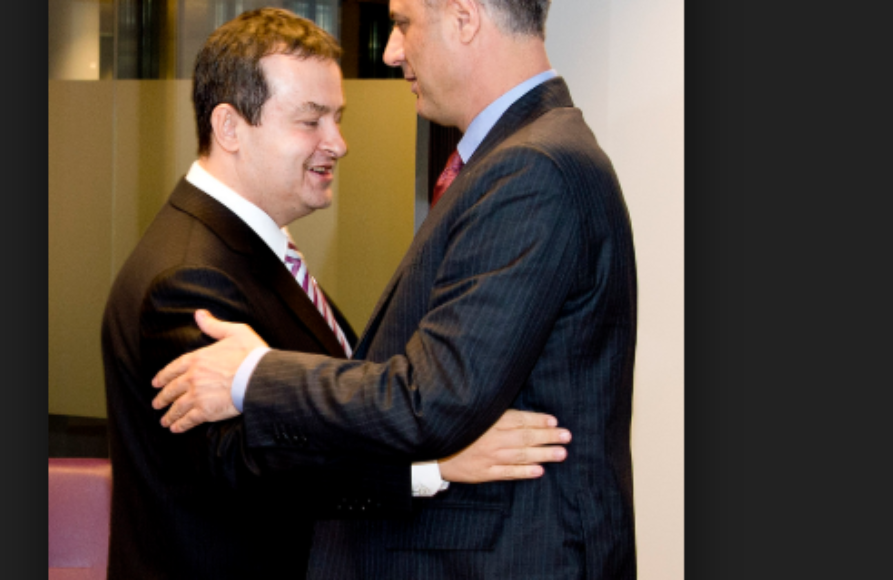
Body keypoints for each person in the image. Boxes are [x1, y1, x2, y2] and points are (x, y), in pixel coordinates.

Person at [151, 0, 639, 578]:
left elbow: (433, 400)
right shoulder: (522, 158)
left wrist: (251, 376)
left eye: (403, 23)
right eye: (310, 120)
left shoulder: (531, 168)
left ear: (464, 18)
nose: (390, 51)